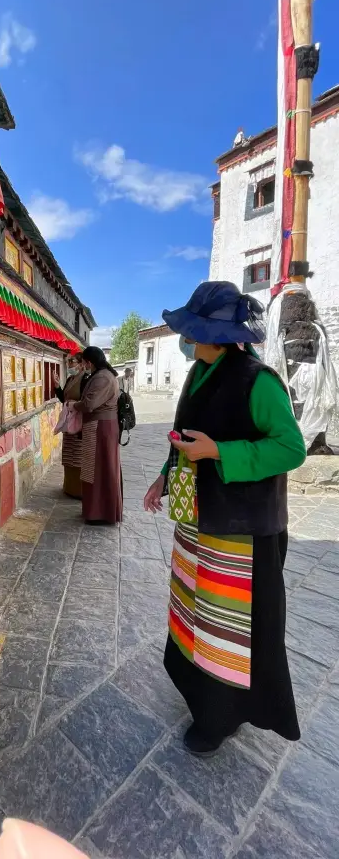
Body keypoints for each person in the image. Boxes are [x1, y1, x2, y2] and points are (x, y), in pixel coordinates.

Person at [143, 281, 306, 756]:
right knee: (197, 612)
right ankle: (199, 693)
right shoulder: (198, 373)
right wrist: (164, 477)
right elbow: (182, 438)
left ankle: (223, 717)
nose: (188, 339)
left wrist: (220, 451)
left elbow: (290, 448)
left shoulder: (258, 380)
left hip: (243, 531)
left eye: (195, 331)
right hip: (200, 519)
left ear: (217, 334)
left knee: (231, 627)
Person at [73, 346, 123, 525]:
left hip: (101, 427)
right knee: (96, 469)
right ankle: (96, 511)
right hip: (99, 426)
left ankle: (100, 513)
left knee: (100, 470)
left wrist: (74, 405)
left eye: (84, 362)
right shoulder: (104, 375)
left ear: (89, 362)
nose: (83, 365)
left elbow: (89, 404)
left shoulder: (102, 377)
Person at [53, 355, 89, 499]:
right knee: (69, 455)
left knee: (78, 456)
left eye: (71, 361)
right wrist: (57, 387)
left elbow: (87, 401)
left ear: (81, 364)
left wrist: (74, 405)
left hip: (79, 422)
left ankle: (80, 490)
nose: (69, 364)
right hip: (68, 421)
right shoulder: (70, 379)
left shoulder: (86, 379)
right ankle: (69, 487)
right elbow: (64, 399)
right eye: (68, 361)